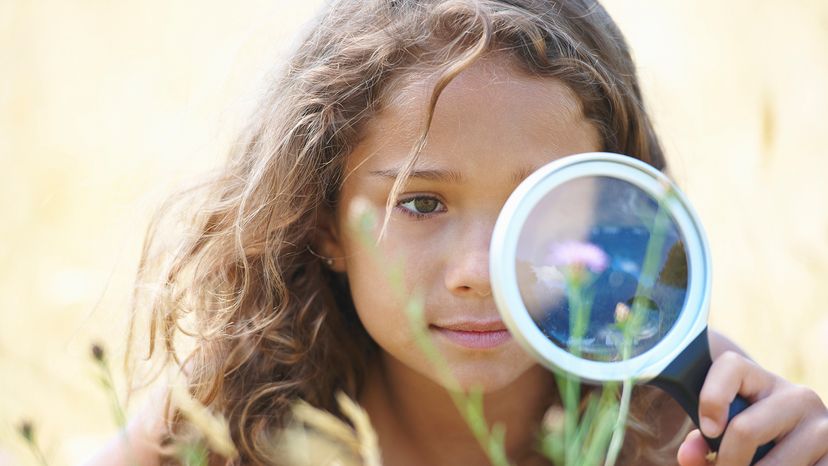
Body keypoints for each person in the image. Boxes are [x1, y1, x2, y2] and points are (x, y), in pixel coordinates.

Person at [85, 0, 828, 465]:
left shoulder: (684, 414)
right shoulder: (237, 412)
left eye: (538, 205)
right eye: (422, 203)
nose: (481, 268)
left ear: (613, 211)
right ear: (320, 220)